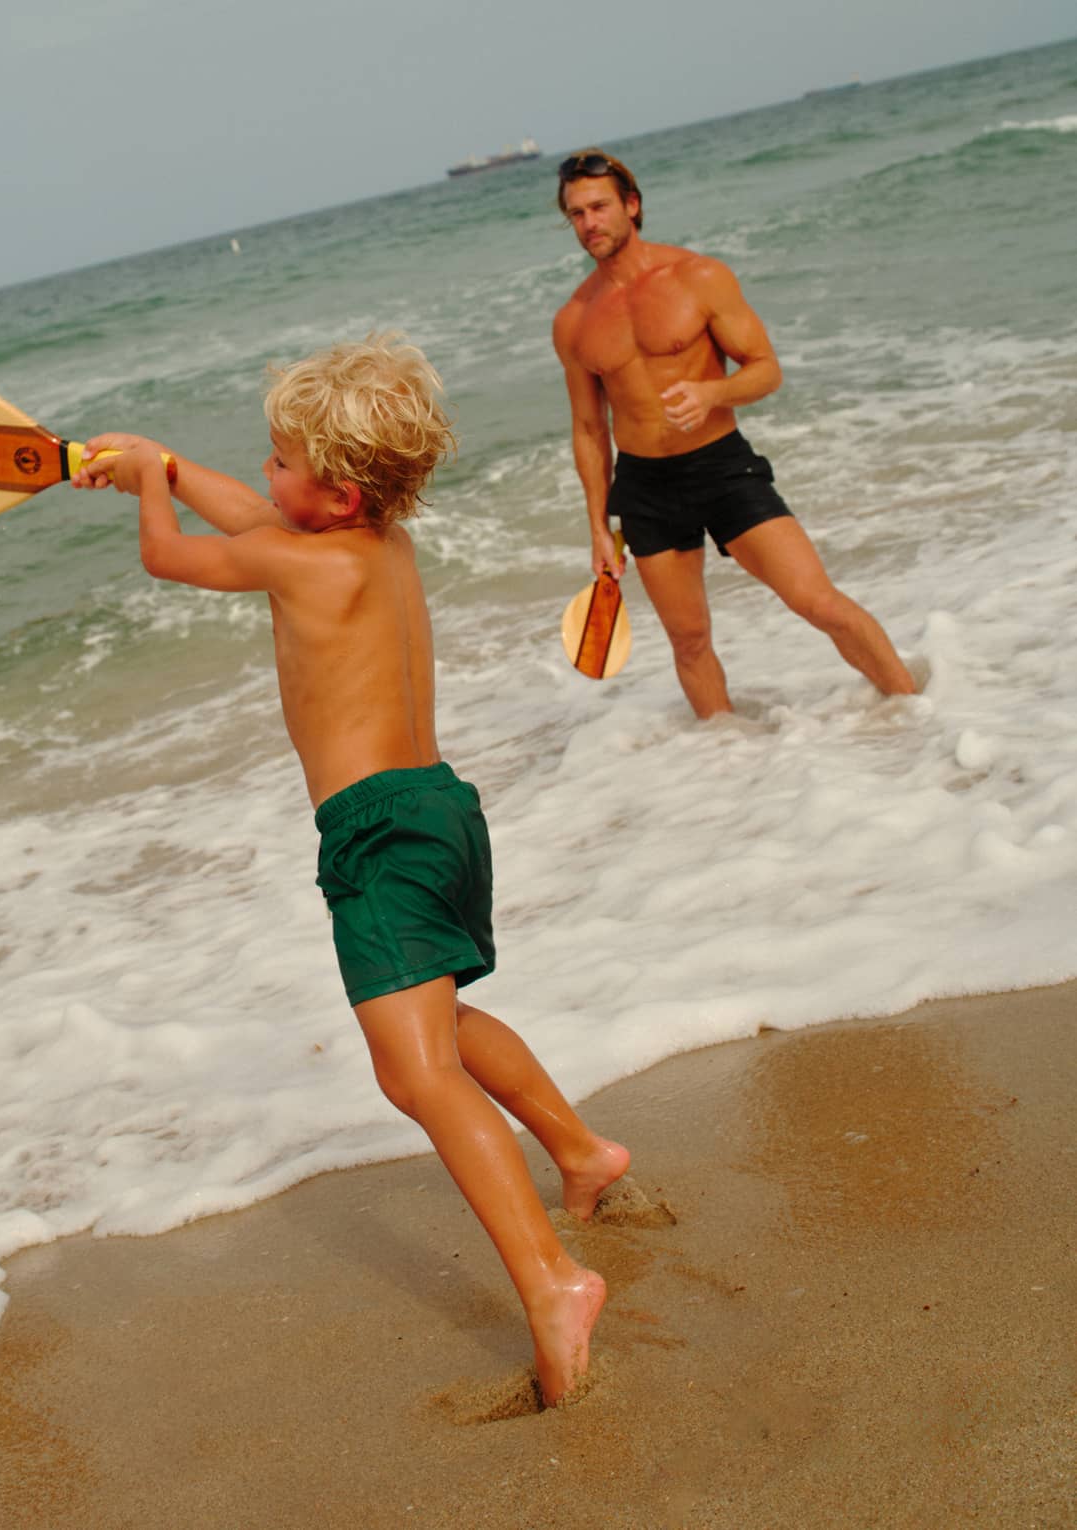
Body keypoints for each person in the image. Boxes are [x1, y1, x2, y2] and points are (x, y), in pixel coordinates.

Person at [74, 335, 628, 1404]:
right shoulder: (372, 546)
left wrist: (149, 490)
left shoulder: (300, 556)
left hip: (375, 831)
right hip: (441, 808)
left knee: (413, 1074)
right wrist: (170, 462)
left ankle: (555, 1284)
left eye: (280, 461)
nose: (266, 477)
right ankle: (580, 1150)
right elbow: (249, 517)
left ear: (333, 490)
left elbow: (172, 556)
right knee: (440, 1023)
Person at [551, 148, 916, 718]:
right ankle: (731, 765)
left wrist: (712, 393)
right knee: (690, 641)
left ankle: (918, 711)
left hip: (720, 466)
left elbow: (765, 368)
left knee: (818, 602)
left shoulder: (698, 277)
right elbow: (588, 430)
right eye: (576, 214)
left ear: (632, 205)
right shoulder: (574, 321)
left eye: (598, 207)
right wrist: (598, 525)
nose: (589, 223)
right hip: (645, 488)